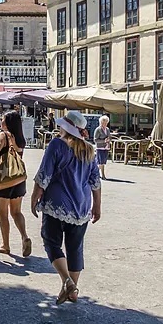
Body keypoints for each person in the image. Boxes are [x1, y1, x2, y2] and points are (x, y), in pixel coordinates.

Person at [31, 111, 102, 305]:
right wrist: (97, 206)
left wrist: (34, 196)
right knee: (75, 248)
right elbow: (95, 182)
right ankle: (73, 292)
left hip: (58, 204)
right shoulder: (89, 150)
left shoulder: (56, 145)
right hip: (82, 206)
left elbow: (44, 174)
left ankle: (67, 281)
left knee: (51, 241)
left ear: (66, 128)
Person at [0, 110, 32, 257]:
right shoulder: (20, 138)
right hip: (18, 179)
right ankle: (24, 236)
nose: (0, 121)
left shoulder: (3, 135)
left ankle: (5, 245)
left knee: (3, 214)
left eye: (2, 119)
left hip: (4, 179)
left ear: (7, 122)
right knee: (16, 212)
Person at [93, 115, 111, 180]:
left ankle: (94, 172)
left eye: (106, 122)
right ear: (100, 122)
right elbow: (95, 140)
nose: (105, 123)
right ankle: (103, 175)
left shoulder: (107, 129)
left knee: (103, 162)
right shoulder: (98, 129)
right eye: (103, 122)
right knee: (101, 162)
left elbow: (109, 137)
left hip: (106, 147)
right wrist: (104, 141)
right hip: (100, 148)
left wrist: (109, 140)